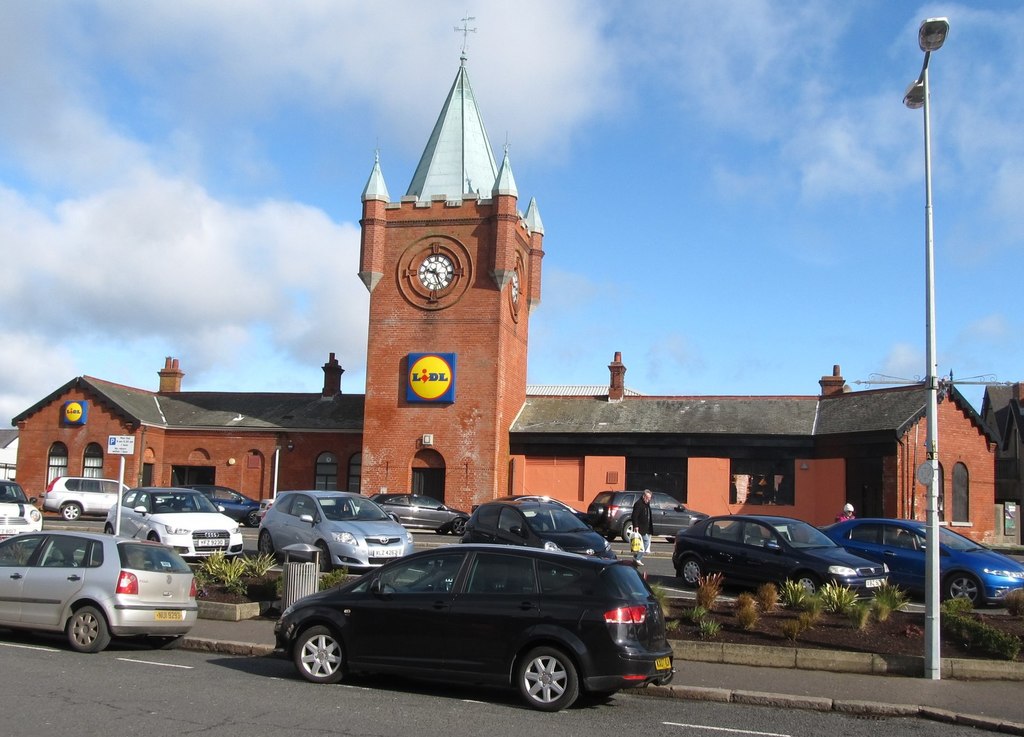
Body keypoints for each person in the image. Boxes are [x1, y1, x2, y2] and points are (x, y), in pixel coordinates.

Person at [631, 489, 654, 566]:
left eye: (650, 498)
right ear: (644, 496)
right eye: (648, 497)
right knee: (646, 542)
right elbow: (634, 516)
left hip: (645, 527)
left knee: (642, 543)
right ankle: (637, 558)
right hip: (640, 527)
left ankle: (636, 557)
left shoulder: (646, 504)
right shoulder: (639, 504)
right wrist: (636, 526)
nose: (649, 499)